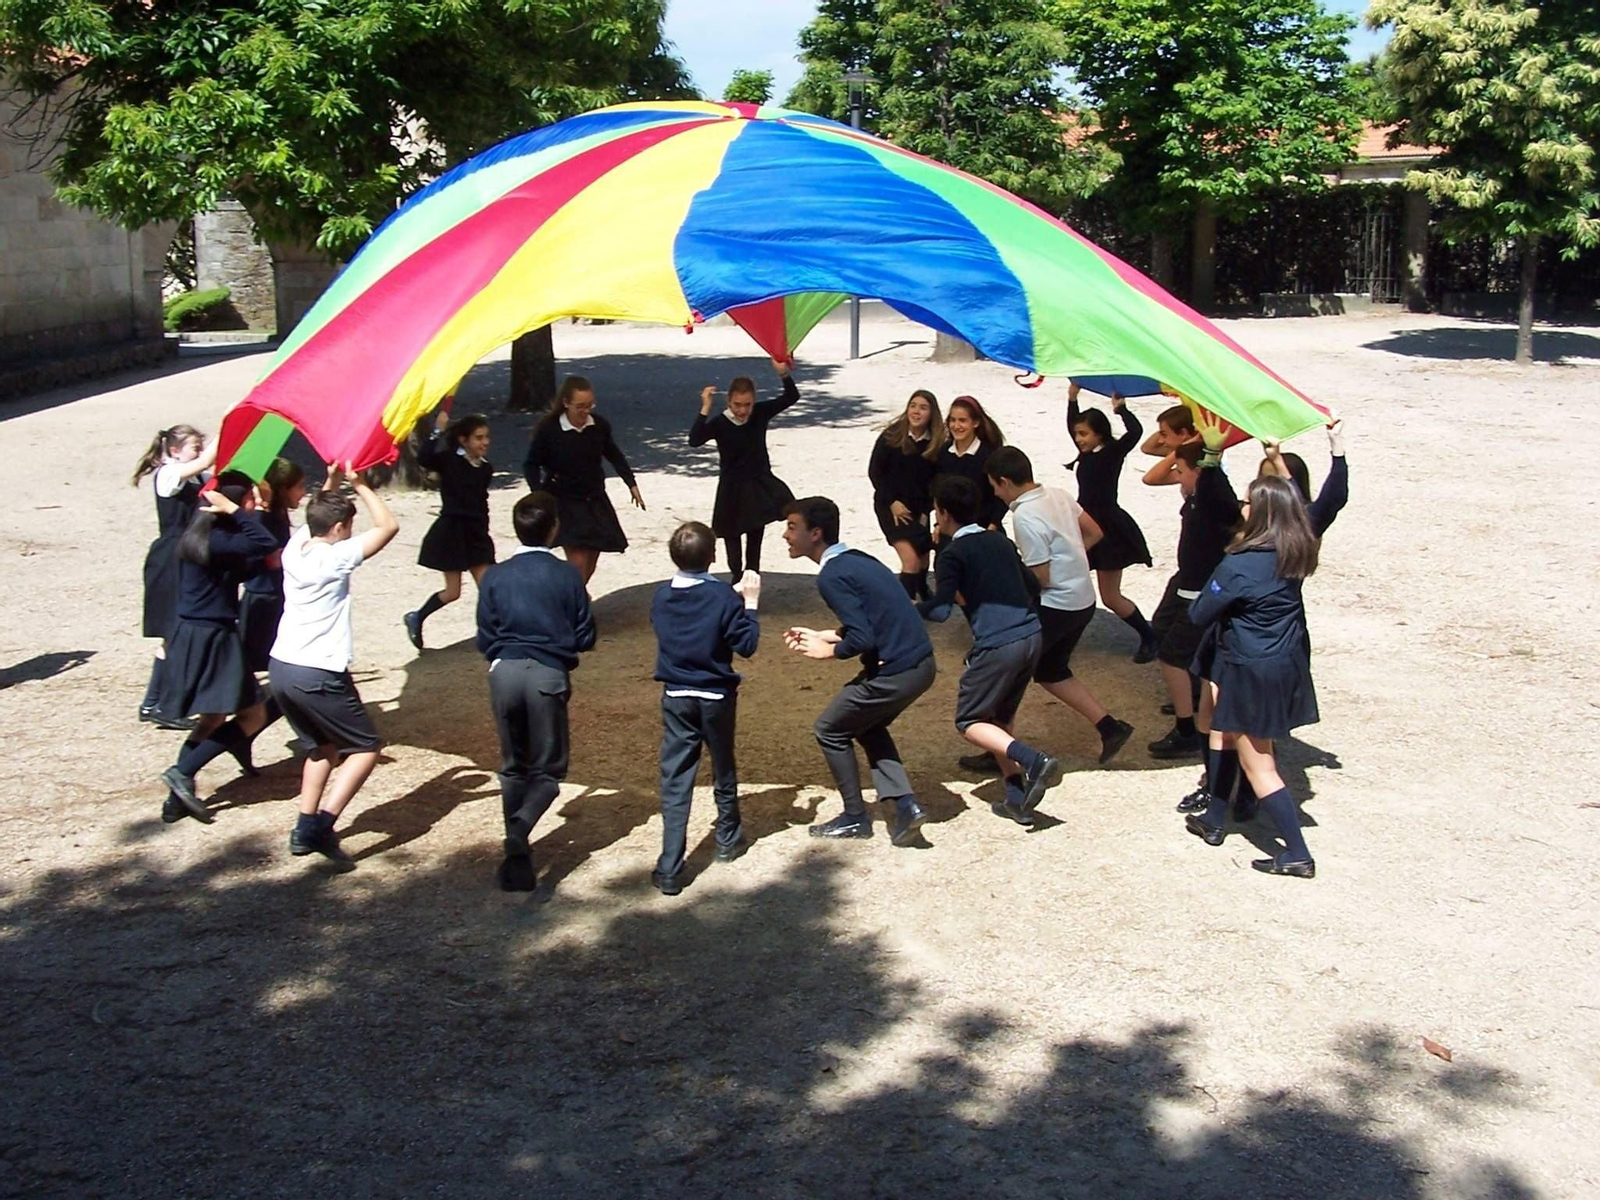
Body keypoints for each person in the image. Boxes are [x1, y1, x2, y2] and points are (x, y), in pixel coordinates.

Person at [1181, 419, 1347, 820]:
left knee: (1236, 724)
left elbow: (1331, 497)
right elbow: (1222, 498)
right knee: (1222, 718)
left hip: (1247, 639)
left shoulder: (1277, 540)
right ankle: (1225, 796)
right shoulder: (1298, 537)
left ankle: (1239, 796)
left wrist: (1215, 456)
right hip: (1268, 633)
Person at [1182, 475, 1321, 878]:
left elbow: (1199, 614)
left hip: (1249, 668)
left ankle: (1296, 852)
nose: (1241, 507)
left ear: (1258, 512)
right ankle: (1214, 818)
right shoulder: (1297, 551)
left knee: (1259, 764)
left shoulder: (1241, 563)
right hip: (1282, 662)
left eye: (1247, 502)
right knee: (1224, 731)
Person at [781, 497, 936, 845]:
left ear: (816, 533)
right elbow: (876, 617)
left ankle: (855, 817)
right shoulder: (858, 559)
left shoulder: (831, 576)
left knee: (830, 729)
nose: (785, 535)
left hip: (897, 670)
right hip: (920, 664)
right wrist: (827, 633)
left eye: (792, 527)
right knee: (867, 725)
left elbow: (863, 636)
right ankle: (905, 805)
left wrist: (829, 651)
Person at [268, 466, 399, 865]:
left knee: (320, 748)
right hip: (318, 670)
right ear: (341, 527)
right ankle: (322, 824)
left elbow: (317, 513)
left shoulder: (297, 547)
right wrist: (359, 484)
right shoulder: (335, 558)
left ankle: (303, 825)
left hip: (282, 667)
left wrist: (332, 482)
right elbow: (388, 526)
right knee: (365, 747)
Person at [919, 477, 1064, 825]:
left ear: (943, 512)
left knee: (970, 720)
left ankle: (1032, 760)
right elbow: (1032, 586)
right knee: (999, 720)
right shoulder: (999, 540)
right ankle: (1016, 796)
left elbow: (939, 611)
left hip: (998, 643)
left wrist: (908, 607)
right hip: (1031, 635)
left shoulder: (952, 554)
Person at [475, 491, 597, 891]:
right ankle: (522, 827)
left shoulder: (494, 575)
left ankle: (519, 860)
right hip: (547, 674)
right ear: (555, 528)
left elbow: (485, 635)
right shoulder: (567, 575)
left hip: (504, 672)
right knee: (548, 769)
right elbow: (586, 634)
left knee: (513, 766)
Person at [985, 447, 1136, 768]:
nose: (996, 494)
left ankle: (998, 748)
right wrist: (1070, 557)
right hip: (1083, 599)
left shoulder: (1024, 516)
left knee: (1010, 675)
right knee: (1051, 671)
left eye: (995, 487)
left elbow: (1040, 577)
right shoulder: (1058, 493)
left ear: (1004, 481)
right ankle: (1109, 727)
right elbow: (1094, 532)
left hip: (1055, 606)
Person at [156, 470, 281, 824]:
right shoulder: (222, 540)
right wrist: (239, 513)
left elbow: (245, 562)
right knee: (253, 714)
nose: (256, 505)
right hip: (212, 634)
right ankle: (181, 772)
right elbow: (264, 543)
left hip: (196, 632)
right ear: (230, 504)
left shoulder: (202, 534)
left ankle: (176, 798)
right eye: (250, 500)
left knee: (213, 717)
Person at [649, 521, 762, 895]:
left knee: (676, 777)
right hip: (715, 696)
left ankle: (669, 865)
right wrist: (749, 603)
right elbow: (745, 645)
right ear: (713, 556)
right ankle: (728, 836)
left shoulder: (662, 597)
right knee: (722, 764)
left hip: (677, 695)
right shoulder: (724, 599)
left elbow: (690, 614)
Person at [1147, 413, 1241, 760]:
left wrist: (1212, 459)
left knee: (1173, 657)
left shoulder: (1213, 495)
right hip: (1185, 581)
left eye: (1183, 473)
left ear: (1198, 473)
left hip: (1199, 591)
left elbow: (1218, 489)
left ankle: (1187, 728)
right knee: (1162, 631)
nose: (1178, 478)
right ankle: (1192, 701)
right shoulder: (1199, 493)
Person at [523, 376, 645, 586]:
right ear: (566, 403)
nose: (585, 411)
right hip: (564, 499)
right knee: (578, 559)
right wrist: (538, 494)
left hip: (594, 497)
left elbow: (614, 454)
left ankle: (575, 595)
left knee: (591, 558)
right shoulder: (549, 430)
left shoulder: (599, 426)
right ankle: (575, 603)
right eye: (579, 406)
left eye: (589, 405)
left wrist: (631, 483)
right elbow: (531, 464)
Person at [1066, 383, 1158, 661]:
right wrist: (1072, 397)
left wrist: (1122, 410)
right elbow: (1073, 423)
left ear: (1099, 434)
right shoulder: (1087, 452)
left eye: (1084, 434)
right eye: (1077, 435)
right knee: (1069, 582)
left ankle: (1149, 635)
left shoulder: (1111, 453)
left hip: (1108, 529)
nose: (1079, 439)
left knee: (1110, 596)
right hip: (1084, 523)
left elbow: (1136, 434)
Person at [133, 425, 217, 728]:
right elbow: (207, 461)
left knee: (175, 633)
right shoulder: (168, 475)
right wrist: (229, 423)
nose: (199, 451)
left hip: (187, 555)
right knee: (176, 631)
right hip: (171, 558)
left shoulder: (195, 477)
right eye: (194, 447)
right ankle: (164, 704)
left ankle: (154, 702)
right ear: (174, 451)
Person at [689, 357, 798, 582]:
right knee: (731, 537)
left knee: (755, 534)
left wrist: (783, 374)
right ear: (729, 401)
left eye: (747, 404)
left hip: (759, 482)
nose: (742, 410)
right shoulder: (720, 423)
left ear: (753, 401)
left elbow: (791, 397)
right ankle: (737, 578)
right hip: (732, 487)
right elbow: (695, 440)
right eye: (737, 404)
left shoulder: (759, 413)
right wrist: (705, 407)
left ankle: (752, 578)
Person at [231, 456, 307, 775]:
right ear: (283, 488)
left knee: (286, 681)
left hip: (275, 603)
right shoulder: (263, 520)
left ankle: (245, 734)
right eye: (300, 487)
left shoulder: (276, 514)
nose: (304, 493)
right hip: (263, 607)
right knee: (274, 681)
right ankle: (236, 735)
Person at [404, 405, 495, 650]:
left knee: (488, 587)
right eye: (478, 438)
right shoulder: (449, 461)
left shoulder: (485, 468)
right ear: (463, 440)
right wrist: (437, 431)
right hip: (453, 530)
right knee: (453, 591)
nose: (484, 442)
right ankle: (417, 616)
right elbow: (424, 458)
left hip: (476, 532)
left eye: (486, 437)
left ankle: (490, 635)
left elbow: (481, 501)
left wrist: (485, 530)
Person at [868, 389, 946, 600]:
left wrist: (927, 511)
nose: (916, 411)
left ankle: (922, 590)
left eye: (923, 407)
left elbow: (936, 481)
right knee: (910, 560)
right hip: (890, 506)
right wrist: (892, 502)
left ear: (932, 413)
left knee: (923, 558)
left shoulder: (937, 443)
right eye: (913, 405)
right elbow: (876, 473)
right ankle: (906, 607)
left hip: (919, 507)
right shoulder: (890, 437)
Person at [934, 395, 1007, 531]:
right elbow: (940, 491)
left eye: (962, 420)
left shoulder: (989, 455)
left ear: (976, 423)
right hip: (950, 532)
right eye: (953, 420)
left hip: (985, 529)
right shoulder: (944, 453)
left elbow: (1001, 494)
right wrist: (938, 524)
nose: (956, 426)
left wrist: (994, 524)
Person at [1140, 400, 1200, 487]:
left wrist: (1181, 450)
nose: (1160, 441)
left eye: (1164, 435)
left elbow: (1149, 479)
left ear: (1183, 433)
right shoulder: (1191, 454)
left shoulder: (1198, 460)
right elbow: (1147, 448)